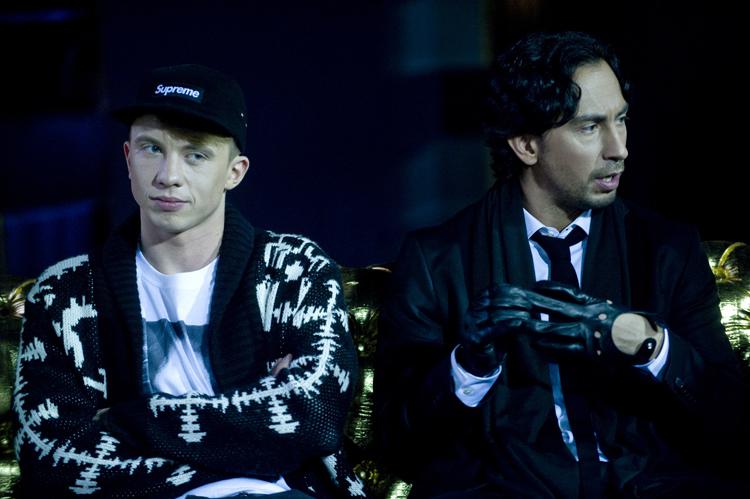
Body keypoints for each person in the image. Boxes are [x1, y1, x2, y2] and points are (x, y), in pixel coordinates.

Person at [376, 31, 749, 498]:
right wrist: (469, 366)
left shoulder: (666, 249)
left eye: (621, 120)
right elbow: (398, 445)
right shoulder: (437, 260)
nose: (619, 148)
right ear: (526, 145)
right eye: (590, 127)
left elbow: (732, 422)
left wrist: (651, 345)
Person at [13, 63, 366, 499]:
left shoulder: (295, 269)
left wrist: (126, 419)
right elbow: (49, 457)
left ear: (235, 172)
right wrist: (249, 430)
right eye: (151, 148)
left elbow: (313, 416)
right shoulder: (64, 292)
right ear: (128, 158)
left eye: (195, 154)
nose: (168, 175)